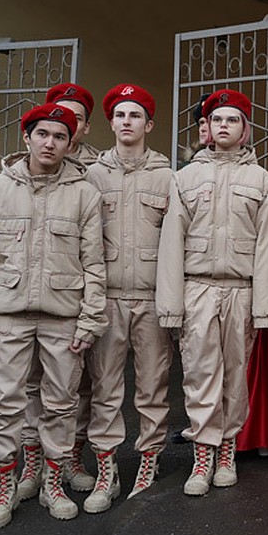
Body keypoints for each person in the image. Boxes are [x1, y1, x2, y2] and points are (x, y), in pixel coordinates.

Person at [0, 103, 107, 529]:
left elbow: (94, 264)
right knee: (5, 404)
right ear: (26, 137)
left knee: (61, 404)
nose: (50, 143)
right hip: (7, 317)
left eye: (60, 136)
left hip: (64, 317)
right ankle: (4, 487)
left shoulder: (84, 192)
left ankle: (53, 483)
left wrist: (89, 320)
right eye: (43, 134)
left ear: (70, 142)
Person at [157, 88, 268, 497]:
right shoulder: (185, 179)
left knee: (234, 375)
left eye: (233, 120)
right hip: (198, 290)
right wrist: (171, 306)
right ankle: (203, 453)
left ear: (246, 131)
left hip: (240, 292)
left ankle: (227, 449)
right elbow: (171, 245)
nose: (224, 126)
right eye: (217, 120)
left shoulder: (262, 181)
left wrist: (264, 309)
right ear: (205, 129)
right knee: (199, 374)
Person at [81, 84, 175, 512]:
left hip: (153, 300)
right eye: (119, 115)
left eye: (134, 115)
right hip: (108, 299)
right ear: (111, 123)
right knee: (104, 388)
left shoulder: (168, 177)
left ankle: (148, 461)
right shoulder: (92, 176)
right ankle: (106, 470)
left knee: (153, 387)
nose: (126, 122)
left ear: (148, 124)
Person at [15, 83, 102, 500]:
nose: (60, 130)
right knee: (30, 386)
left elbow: (97, 251)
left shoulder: (96, 174)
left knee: (76, 388)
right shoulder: (19, 175)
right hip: (30, 300)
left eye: (74, 118)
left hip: (74, 299)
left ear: (82, 128)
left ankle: (70, 457)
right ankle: (34, 462)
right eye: (54, 117)